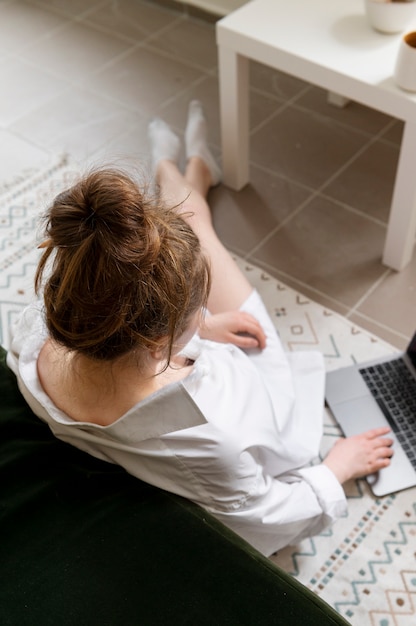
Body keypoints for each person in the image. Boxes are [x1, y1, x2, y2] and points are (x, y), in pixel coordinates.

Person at [7, 101, 394, 557]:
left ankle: (188, 170)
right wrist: (335, 469)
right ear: (159, 340)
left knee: (187, 228)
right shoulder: (210, 440)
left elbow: (126, 314)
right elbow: (266, 518)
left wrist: (203, 326)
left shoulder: (39, 332)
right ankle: (184, 170)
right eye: (196, 311)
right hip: (254, 394)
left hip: (148, 349)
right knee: (195, 226)